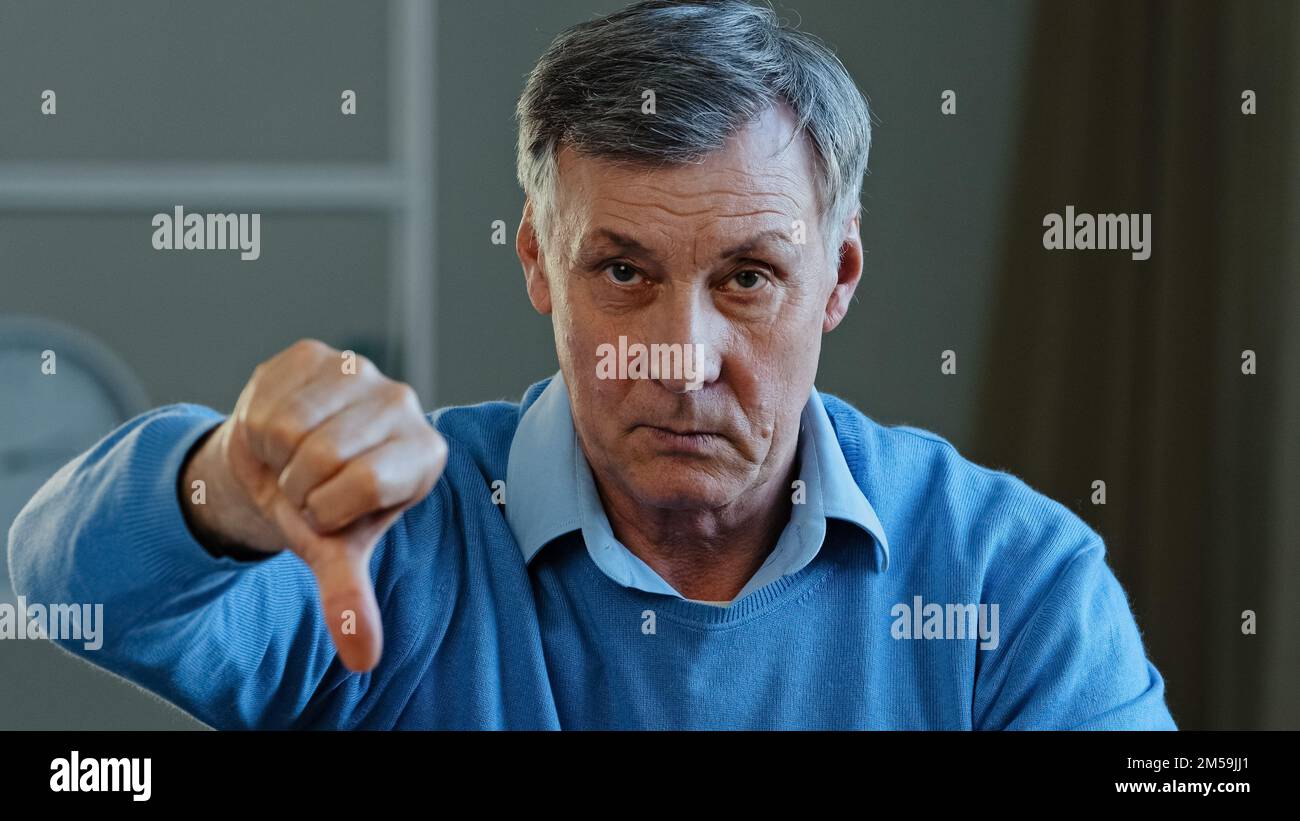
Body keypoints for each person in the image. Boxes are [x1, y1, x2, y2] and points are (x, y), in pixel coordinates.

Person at [7, 0, 1176, 729]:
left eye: (748, 276)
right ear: (537, 261)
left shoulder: (1009, 582)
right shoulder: (389, 540)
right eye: (621, 270)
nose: (682, 354)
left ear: (840, 278)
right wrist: (223, 487)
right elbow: (62, 583)